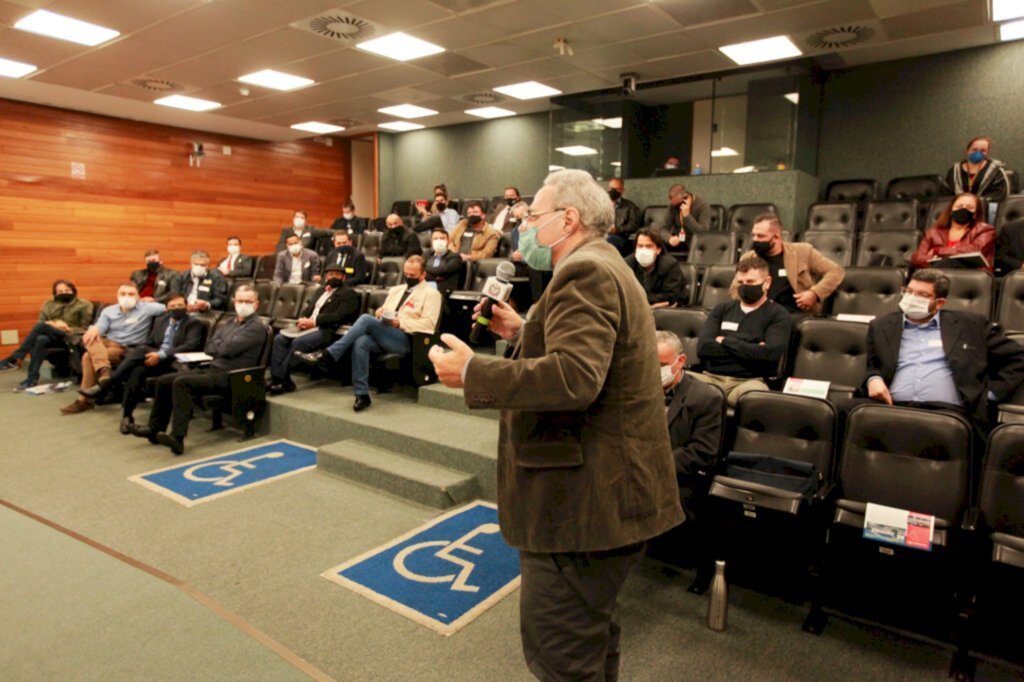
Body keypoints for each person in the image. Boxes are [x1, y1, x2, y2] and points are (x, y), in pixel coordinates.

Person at [427, 169, 683, 681]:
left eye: (534, 217)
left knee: (563, 659)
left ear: (568, 219)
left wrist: (475, 371)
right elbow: (590, 358)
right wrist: (524, 330)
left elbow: (575, 377)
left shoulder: (584, 270)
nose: (526, 226)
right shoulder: (602, 264)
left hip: (582, 507)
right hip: (598, 502)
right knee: (591, 641)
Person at [862, 269, 1024, 427]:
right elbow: (872, 365)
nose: (912, 298)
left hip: (950, 413)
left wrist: (991, 394)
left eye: (922, 295)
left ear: (939, 303)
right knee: (840, 409)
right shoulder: (881, 325)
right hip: (890, 407)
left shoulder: (972, 325)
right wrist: (873, 379)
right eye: (909, 291)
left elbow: (1018, 358)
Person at [131, 285, 269, 455]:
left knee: (182, 382)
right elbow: (210, 346)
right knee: (164, 380)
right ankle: (154, 429)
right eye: (240, 300)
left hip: (232, 377)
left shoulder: (257, 327)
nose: (243, 304)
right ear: (234, 302)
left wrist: (221, 345)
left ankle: (177, 437)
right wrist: (222, 345)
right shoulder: (230, 322)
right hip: (212, 369)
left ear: (256, 304)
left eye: (248, 301)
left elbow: (225, 349)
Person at [298, 256, 441, 412]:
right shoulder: (396, 290)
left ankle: (328, 354)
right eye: (406, 274)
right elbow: (386, 309)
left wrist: (400, 322)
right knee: (362, 341)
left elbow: (429, 325)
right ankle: (362, 394)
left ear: (423, 275)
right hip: (387, 332)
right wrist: (381, 312)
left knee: (366, 319)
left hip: (409, 339)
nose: (408, 277)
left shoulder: (431, 294)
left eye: (412, 276)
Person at [646, 330, 725, 570]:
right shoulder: (635, 389)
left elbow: (703, 452)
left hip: (676, 475)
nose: (653, 371)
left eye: (661, 365)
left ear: (680, 362)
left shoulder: (705, 398)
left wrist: (655, 466)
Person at [78, 294, 204, 433]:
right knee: (136, 369)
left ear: (186, 306)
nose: (176, 309)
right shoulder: (161, 321)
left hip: (173, 361)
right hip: (154, 357)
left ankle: (107, 383)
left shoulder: (193, 323)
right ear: (167, 309)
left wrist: (160, 355)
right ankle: (127, 416)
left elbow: (189, 346)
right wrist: (149, 355)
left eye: (180, 305)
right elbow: (150, 342)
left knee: (141, 350)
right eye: (172, 306)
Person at [694, 256, 792, 407]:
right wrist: (751, 347)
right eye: (740, 282)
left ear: (767, 282)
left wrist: (726, 341)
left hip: (748, 383)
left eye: (750, 282)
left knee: (756, 397)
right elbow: (703, 348)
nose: (744, 286)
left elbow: (768, 355)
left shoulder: (778, 315)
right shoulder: (722, 309)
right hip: (710, 379)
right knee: (667, 380)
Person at [60, 283, 165, 414]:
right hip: (108, 342)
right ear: (117, 296)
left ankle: (85, 400)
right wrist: (94, 329)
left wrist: (155, 300)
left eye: (131, 294)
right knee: (91, 336)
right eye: (123, 294)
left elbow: (172, 306)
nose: (127, 297)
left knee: (88, 356)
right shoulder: (109, 310)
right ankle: (104, 373)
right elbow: (100, 328)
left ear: (138, 296)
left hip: (127, 347)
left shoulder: (148, 308)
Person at [268, 264, 360, 395]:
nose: (333, 277)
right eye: (330, 274)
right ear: (326, 276)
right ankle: (281, 380)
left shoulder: (349, 293)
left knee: (298, 342)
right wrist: (302, 319)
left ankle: (278, 379)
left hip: (326, 330)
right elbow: (308, 309)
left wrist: (314, 322)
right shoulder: (320, 291)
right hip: (307, 327)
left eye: (336, 274)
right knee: (279, 339)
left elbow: (340, 316)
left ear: (344, 277)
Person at [736, 213, 845, 314]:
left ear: (776, 238)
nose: (755, 240)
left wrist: (814, 293)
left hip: (794, 313)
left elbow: (836, 271)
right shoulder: (748, 257)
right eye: (753, 235)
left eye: (761, 236)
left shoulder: (803, 252)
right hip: (759, 313)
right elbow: (734, 290)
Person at [0, 279, 94, 391]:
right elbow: (41, 322)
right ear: (55, 293)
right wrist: (53, 324)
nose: (63, 293)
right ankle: (31, 379)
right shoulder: (48, 304)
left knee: (41, 328)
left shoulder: (84, 304)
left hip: (72, 336)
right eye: (60, 291)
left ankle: (14, 358)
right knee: (41, 338)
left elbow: (85, 328)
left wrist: (67, 328)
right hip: (53, 335)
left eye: (67, 290)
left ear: (73, 291)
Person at [911, 192, 995, 272]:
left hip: (971, 274)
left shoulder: (985, 230)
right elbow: (917, 258)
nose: (963, 209)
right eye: (959, 206)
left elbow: (976, 249)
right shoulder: (933, 232)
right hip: (937, 273)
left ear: (975, 214)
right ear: (951, 210)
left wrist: (938, 251)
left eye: (970, 207)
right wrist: (937, 261)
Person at [624, 229, 684, 309]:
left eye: (649, 246)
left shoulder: (670, 265)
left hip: (662, 313)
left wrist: (638, 299)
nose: (643, 250)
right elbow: (622, 294)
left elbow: (670, 296)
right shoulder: (627, 264)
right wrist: (649, 306)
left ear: (658, 250)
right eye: (640, 246)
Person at [943, 136, 1010, 203]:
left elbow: (1000, 194)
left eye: (983, 150)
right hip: (959, 206)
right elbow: (948, 192)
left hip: (986, 207)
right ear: (967, 151)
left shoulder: (996, 171)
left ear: (987, 153)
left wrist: (977, 202)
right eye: (974, 150)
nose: (978, 153)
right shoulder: (955, 170)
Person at [662, 184, 710, 253]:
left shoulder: (702, 206)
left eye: (677, 205)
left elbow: (703, 233)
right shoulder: (673, 206)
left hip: (696, 244)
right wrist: (669, 238)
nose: (676, 207)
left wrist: (687, 216)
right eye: (673, 204)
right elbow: (663, 228)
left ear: (686, 198)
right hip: (679, 241)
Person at [605, 177, 642, 256]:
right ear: (608, 189)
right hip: (602, 235)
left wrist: (617, 230)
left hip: (620, 237)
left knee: (609, 240)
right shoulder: (601, 205)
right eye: (612, 188)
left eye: (617, 189)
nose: (613, 191)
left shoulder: (630, 206)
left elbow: (633, 225)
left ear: (622, 191)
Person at [424, 228, 464, 295]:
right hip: (427, 285)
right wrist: (434, 276)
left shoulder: (455, 257)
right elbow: (417, 268)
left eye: (442, 238)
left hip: (444, 290)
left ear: (448, 241)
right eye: (435, 239)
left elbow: (440, 271)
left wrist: (424, 268)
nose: (439, 241)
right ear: (432, 241)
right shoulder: (427, 254)